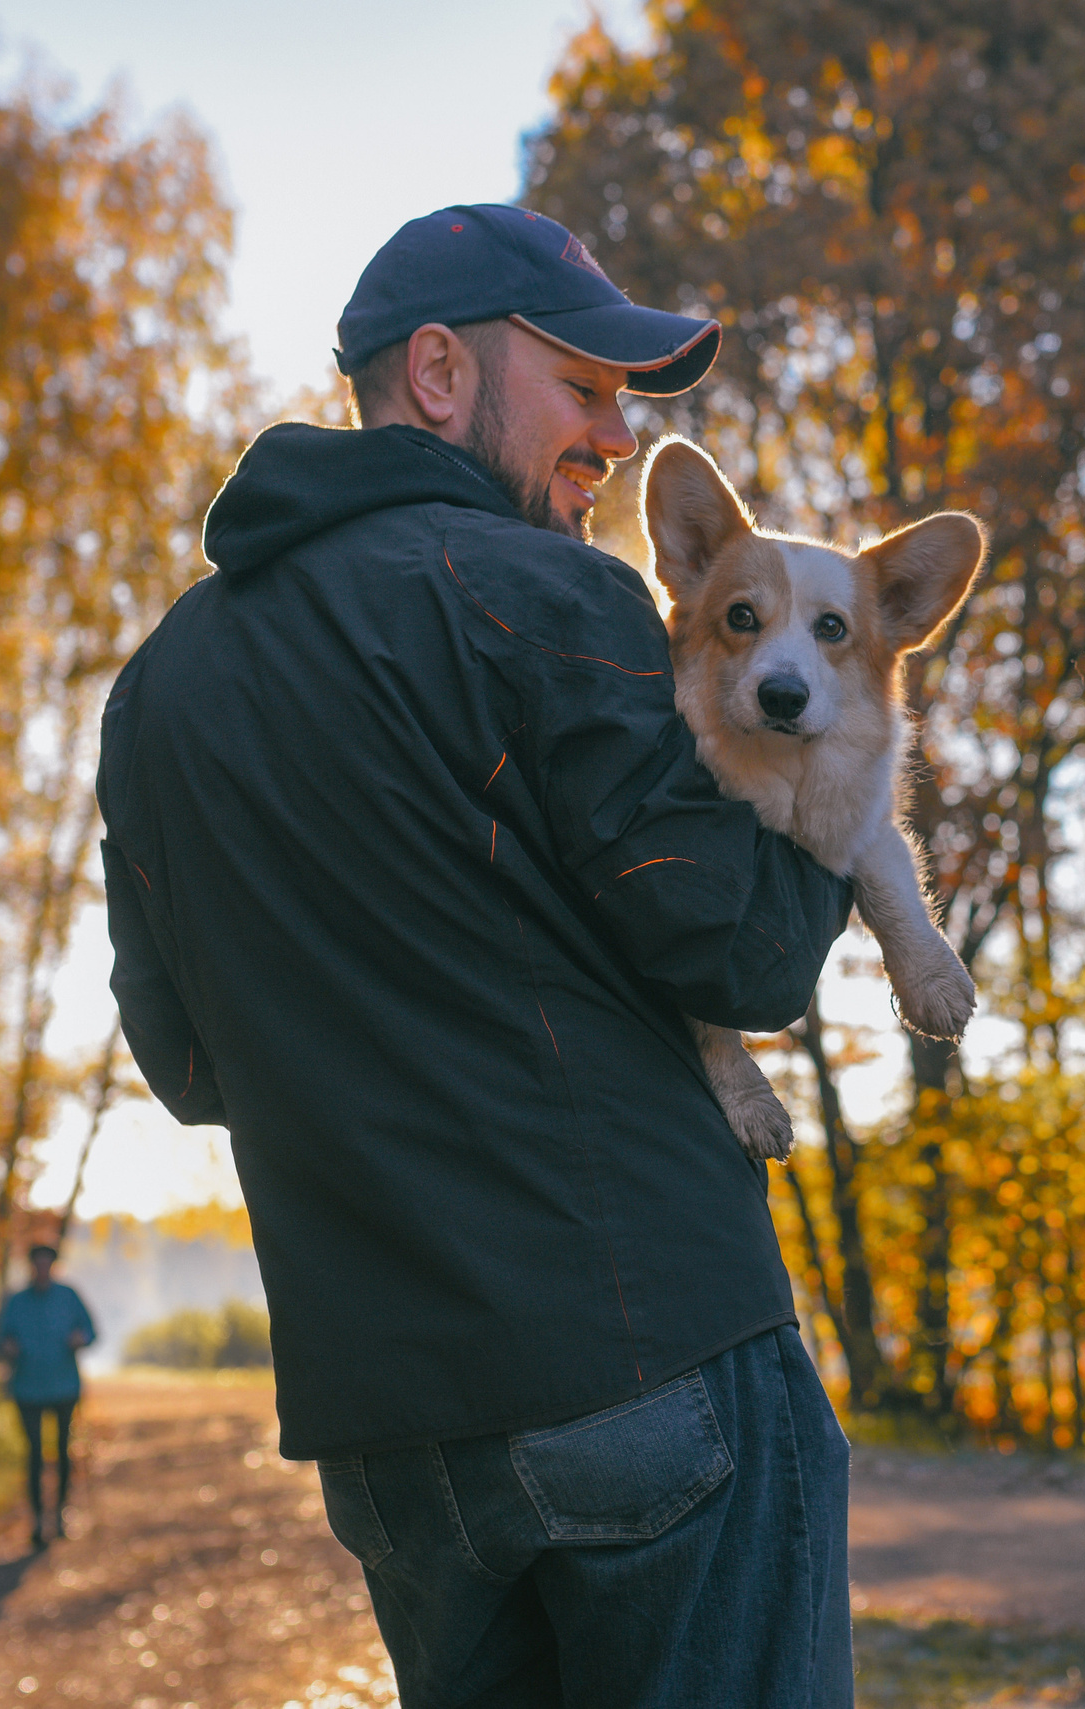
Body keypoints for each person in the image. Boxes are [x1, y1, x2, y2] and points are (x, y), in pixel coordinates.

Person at [97, 203, 859, 1706]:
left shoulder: (157, 691)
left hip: (395, 1444)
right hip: (649, 1367)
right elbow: (747, 954)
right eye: (583, 390)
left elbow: (186, 1069)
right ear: (439, 375)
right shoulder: (547, 592)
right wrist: (833, 756)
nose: (621, 436)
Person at [0, 1242, 97, 1549]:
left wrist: (81, 1338)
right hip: (27, 1388)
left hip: (64, 1386)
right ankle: (38, 1519)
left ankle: (61, 1514)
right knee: (35, 1453)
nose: (41, 1268)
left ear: (52, 1265)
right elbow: (0, 1340)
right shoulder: (15, 1302)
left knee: (63, 1449)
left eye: (46, 1263)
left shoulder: (68, 1296)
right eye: (36, 1263)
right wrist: (7, 1348)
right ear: (30, 1266)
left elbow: (91, 1331)